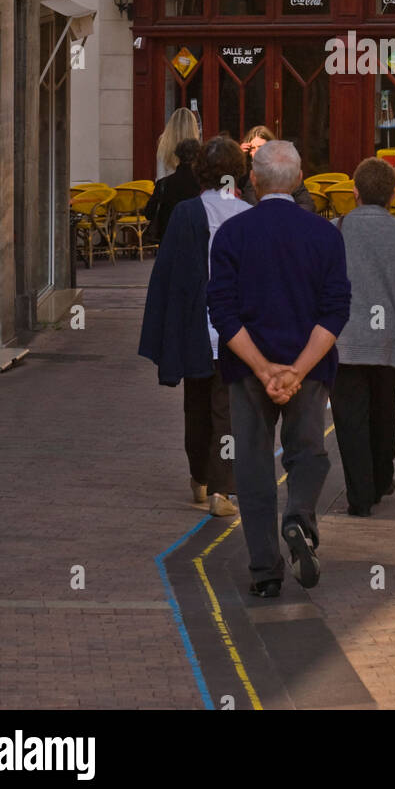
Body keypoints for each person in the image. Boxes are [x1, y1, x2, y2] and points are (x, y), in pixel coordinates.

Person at [207, 141, 351, 598]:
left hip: (246, 368)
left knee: (251, 464)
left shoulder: (232, 233)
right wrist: (296, 371)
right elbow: (335, 311)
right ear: (300, 179)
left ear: (253, 179)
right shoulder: (325, 235)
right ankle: (299, 521)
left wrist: (264, 368)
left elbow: (222, 311)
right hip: (310, 367)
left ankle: (264, 569)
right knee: (309, 452)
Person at [139, 136, 249, 515]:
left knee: (196, 406)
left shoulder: (186, 213)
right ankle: (221, 488)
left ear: (201, 171)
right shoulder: (248, 214)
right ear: (239, 173)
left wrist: (163, 332)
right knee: (226, 410)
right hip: (235, 331)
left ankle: (199, 477)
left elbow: (165, 275)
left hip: (194, 327)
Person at [329, 157, 395, 517]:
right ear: (392, 194)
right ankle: (382, 477)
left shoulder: (336, 231)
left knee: (349, 419)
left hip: (346, 340)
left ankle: (359, 494)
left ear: (354, 192)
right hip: (390, 340)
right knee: (384, 413)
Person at [239, 125, 316, 211]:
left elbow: (307, 205)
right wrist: (237, 158)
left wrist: (285, 215)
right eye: (252, 148)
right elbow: (225, 193)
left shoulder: (286, 171)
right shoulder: (244, 175)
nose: (257, 152)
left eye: (261, 147)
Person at [144, 137, 201, 242]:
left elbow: (149, 213)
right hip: (195, 238)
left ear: (177, 156)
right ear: (198, 157)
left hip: (168, 238)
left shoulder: (163, 184)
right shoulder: (202, 184)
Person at [156, 106, 201, 180]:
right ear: (193, 128)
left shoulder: (164, 147)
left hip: (170, 190)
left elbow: (160, 179)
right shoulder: (198, 152)